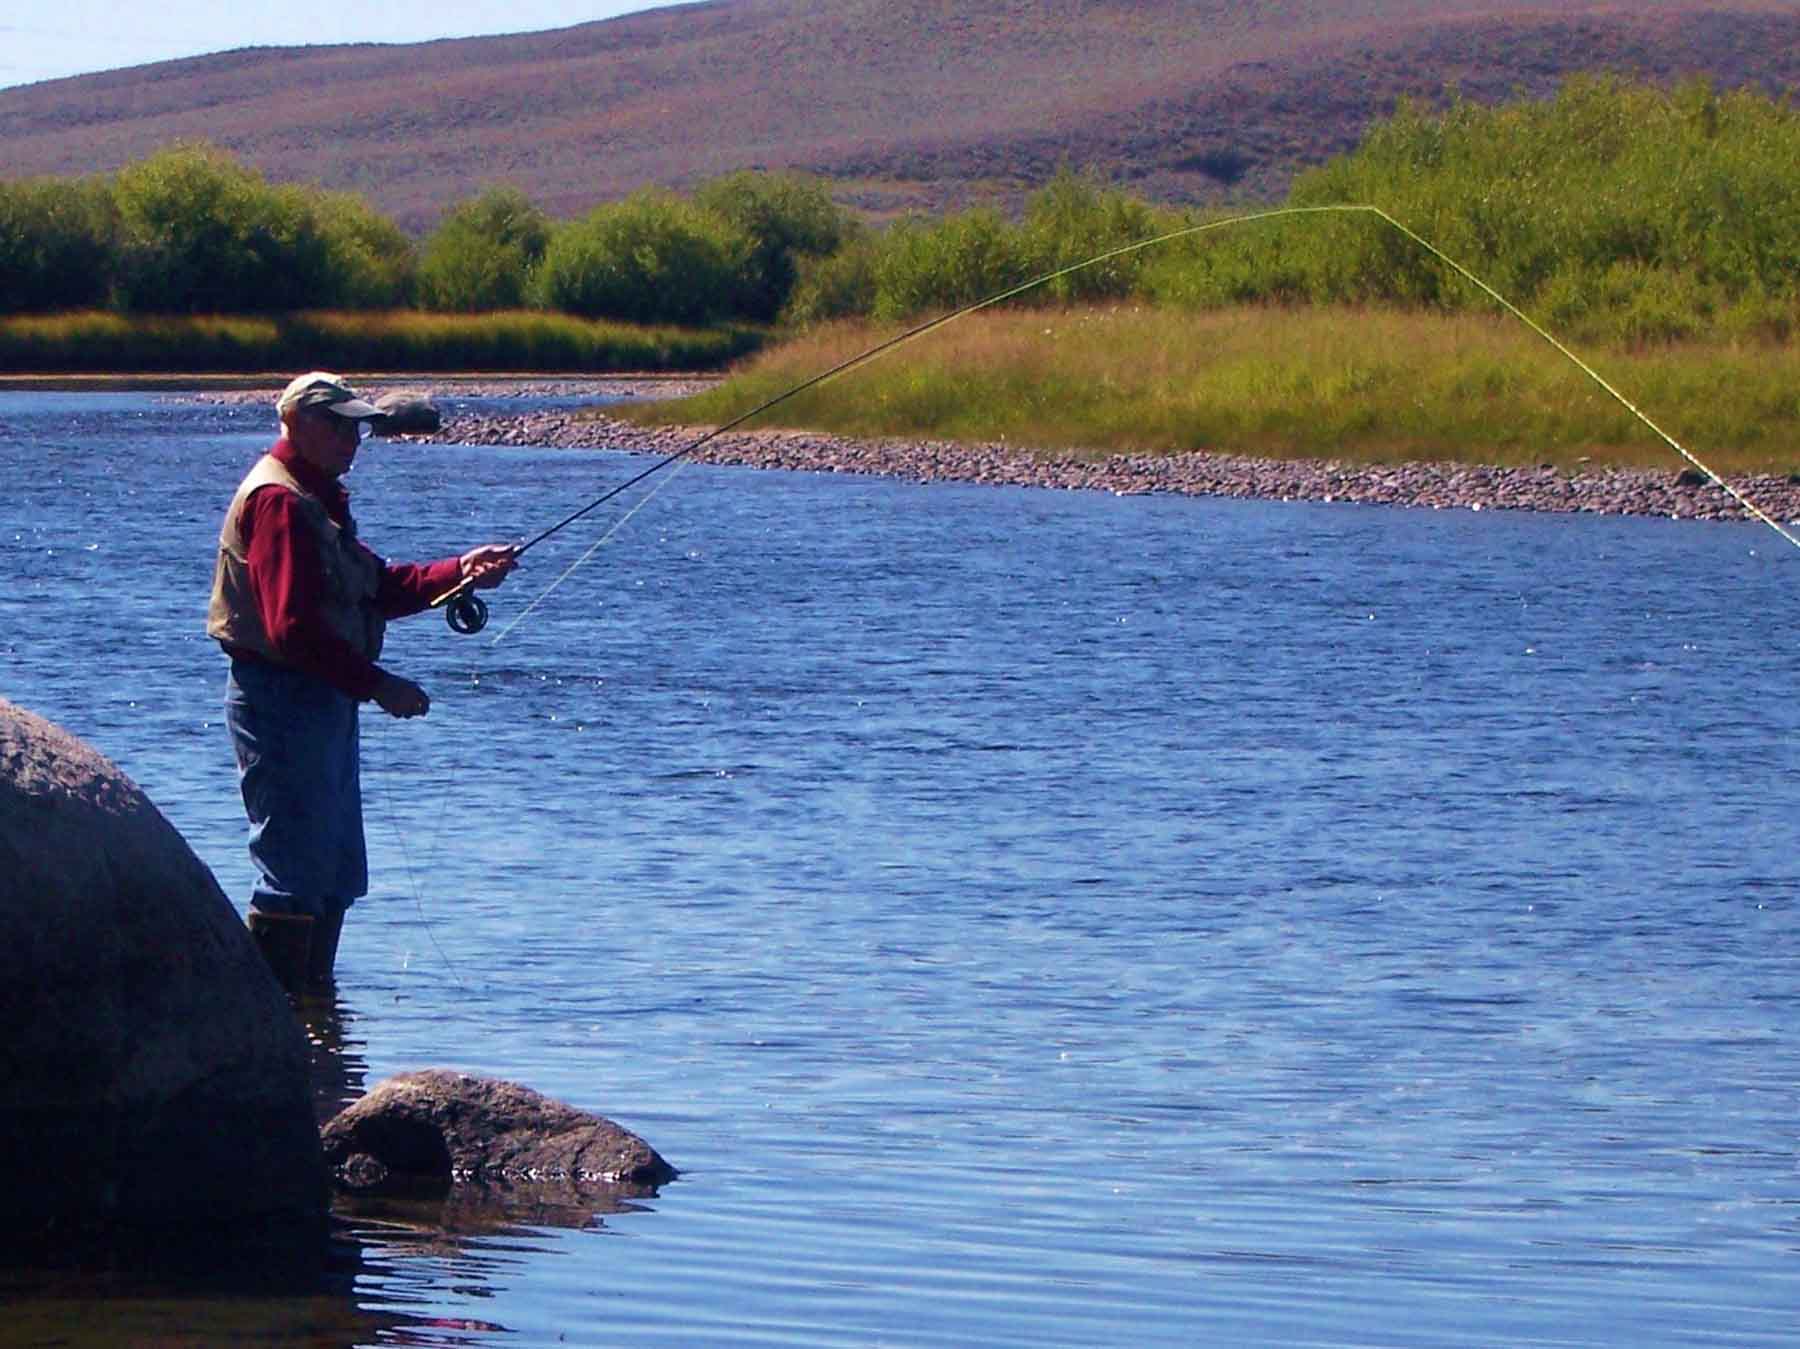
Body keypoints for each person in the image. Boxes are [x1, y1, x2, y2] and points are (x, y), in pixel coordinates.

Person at [207, 371, 517, 992]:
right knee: (294, 871)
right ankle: (280, 1024)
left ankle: (319, 1024)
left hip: (321, 696)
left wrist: (459, 570)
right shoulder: (280, 502)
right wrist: (379, 685)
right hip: (280, 700)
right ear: (295, 423)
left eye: (358, 426)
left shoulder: (316, 497)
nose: (353, 438)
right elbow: (291, 629)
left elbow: (378, 587)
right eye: (338, 424)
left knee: (335, 870)